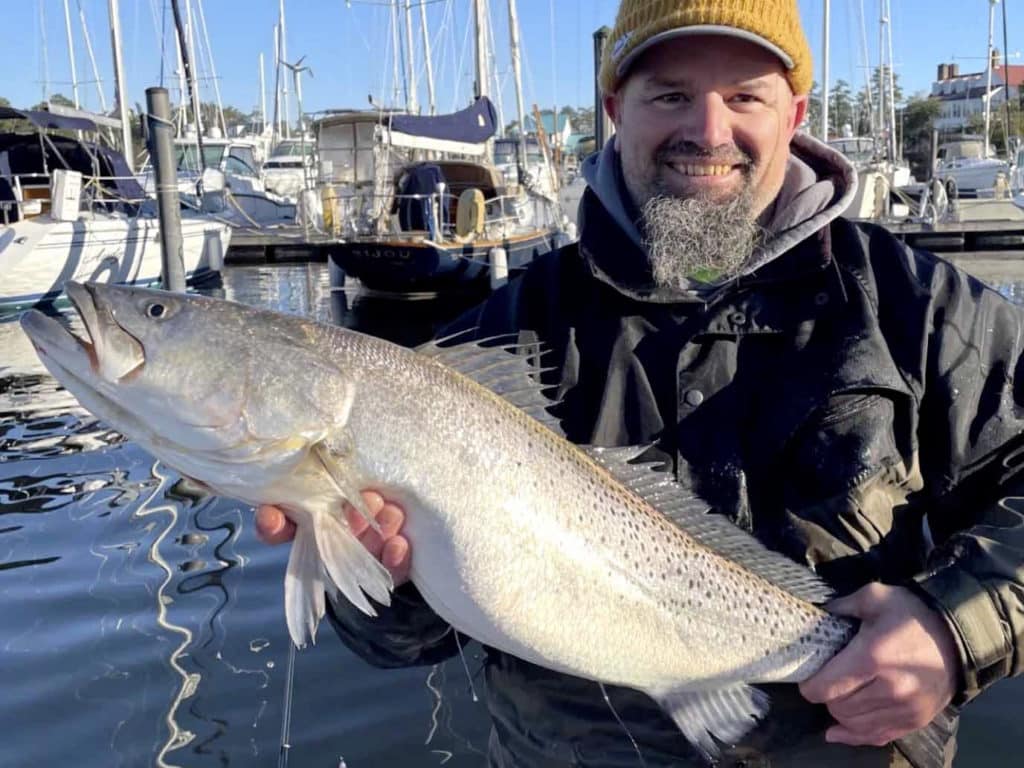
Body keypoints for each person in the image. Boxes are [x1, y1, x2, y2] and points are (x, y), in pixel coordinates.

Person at [257, 0, 1024, 765]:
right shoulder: (495, 340)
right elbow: (402, 643)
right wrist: (380, 575)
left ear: (794, 114)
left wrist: (955, 628)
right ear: (617, 109)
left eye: (745, 96)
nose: (708, 132)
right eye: (671, 95)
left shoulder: (922, 311)